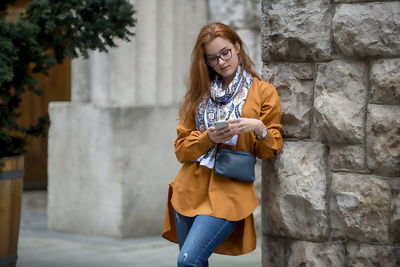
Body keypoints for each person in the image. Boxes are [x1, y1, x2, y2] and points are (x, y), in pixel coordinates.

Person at [162, 22, 283, 267]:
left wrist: (258, 128)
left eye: (225, 52)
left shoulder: (263, 92)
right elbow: (181, 150)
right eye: (212, 58)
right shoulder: (198, 94)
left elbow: (271, 147)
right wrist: (209, 137)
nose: (221, 62)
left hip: (230, 190)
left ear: (237, 47)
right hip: (189, 188)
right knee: (192, 263)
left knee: (188, 261)